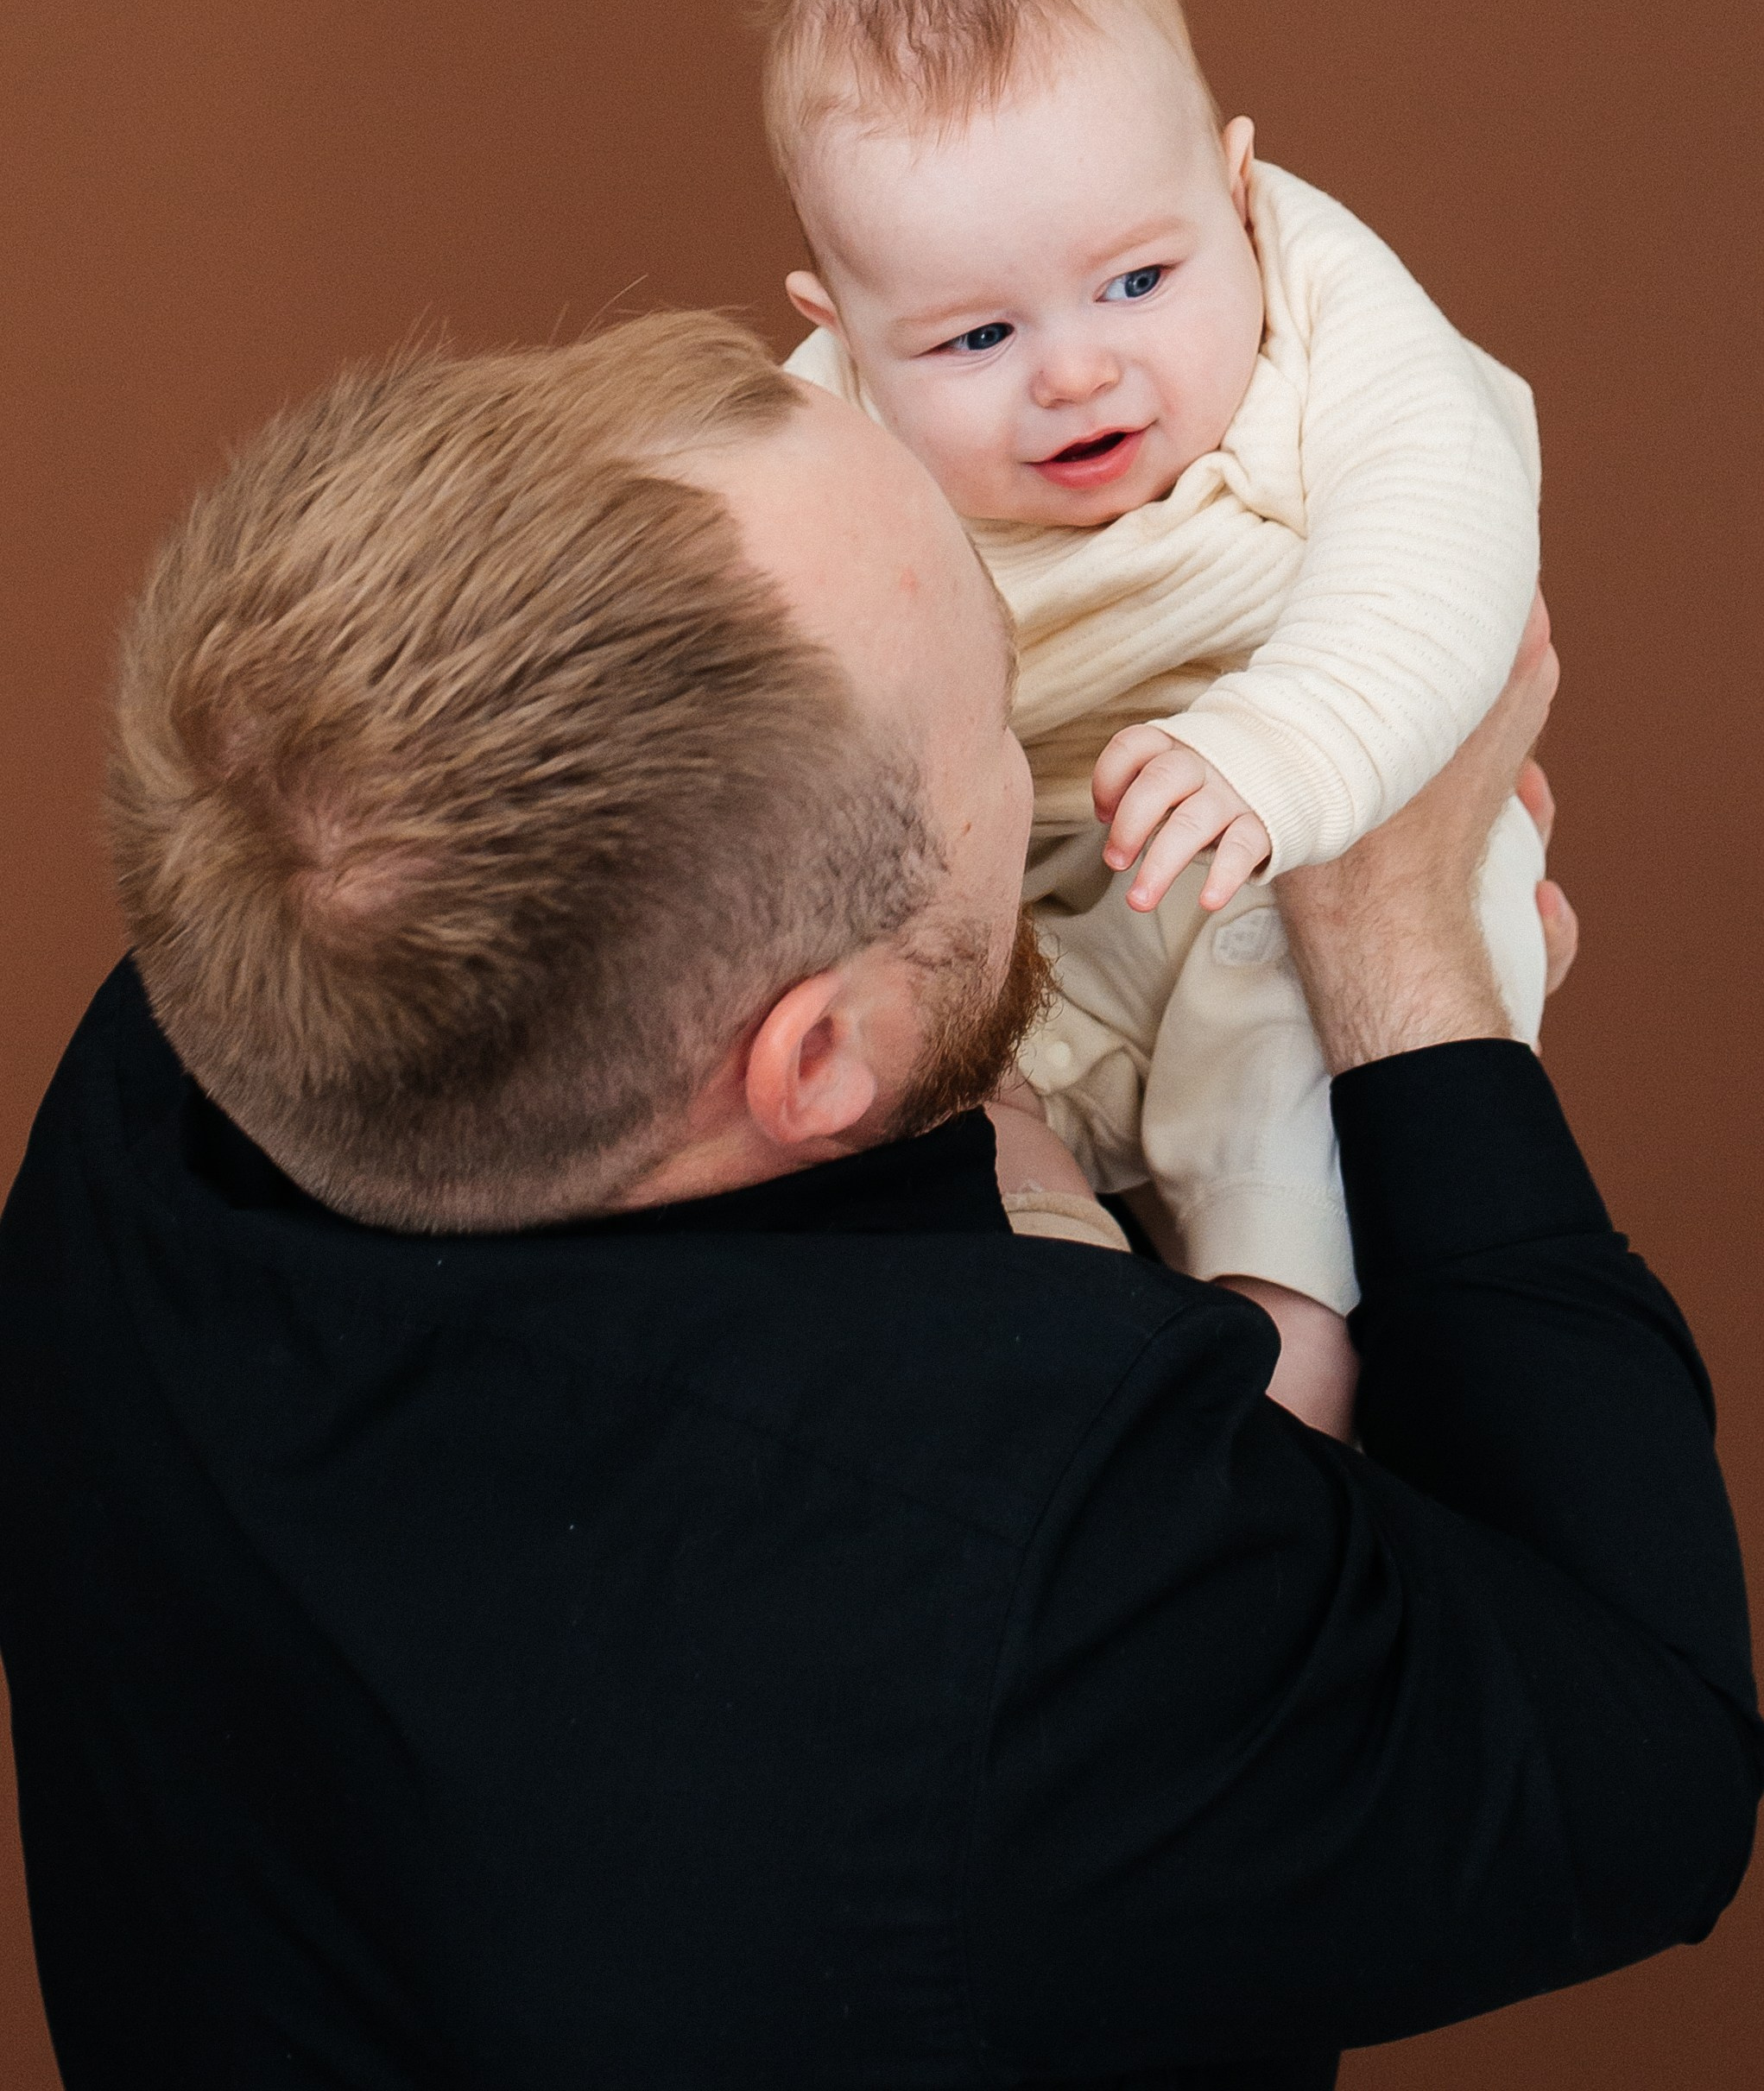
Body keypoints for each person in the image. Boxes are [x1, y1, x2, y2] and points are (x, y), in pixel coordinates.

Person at [0, 315, 1755, 2091]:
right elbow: (1652, 1759)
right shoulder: (1030, 1580)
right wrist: (1401, 949)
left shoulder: (190, 1046)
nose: (1055, 727)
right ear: (815, 1058)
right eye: (1001, 716)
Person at [765, 0, 1548, 1405]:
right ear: (843, 330)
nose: (1076, 370)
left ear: (1238, 193)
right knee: (917, 1050)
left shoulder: (1330, 311)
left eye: (1138, 281)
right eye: (979, 337)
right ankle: (1044, 1234)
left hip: (1314, 815)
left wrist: (1281, 746)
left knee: (1292, 1071)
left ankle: (1286, 1352)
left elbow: (1442, 542)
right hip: (1043, 891)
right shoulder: (819, 430)